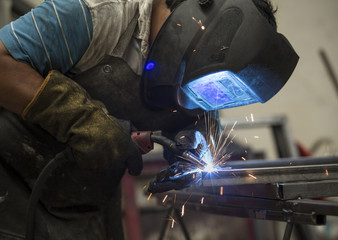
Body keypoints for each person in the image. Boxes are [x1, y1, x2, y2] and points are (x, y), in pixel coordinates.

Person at [0, 0, 283, 239]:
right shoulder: (96, 15)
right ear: (191, 19)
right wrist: (82, 121)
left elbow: (200, 121)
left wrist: (192, 143)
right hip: (11, 181)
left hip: (88, 200)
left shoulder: (205, 60)